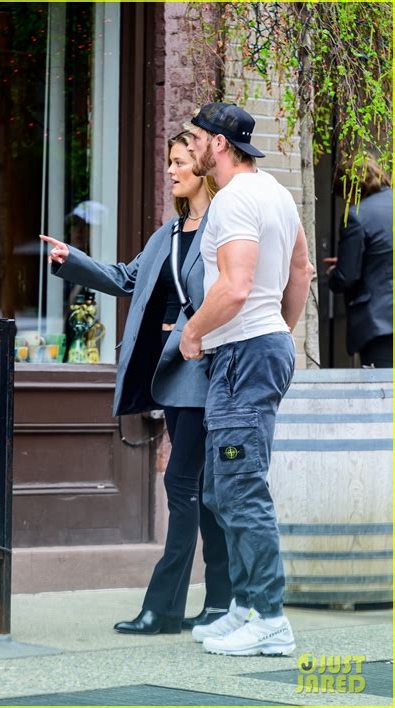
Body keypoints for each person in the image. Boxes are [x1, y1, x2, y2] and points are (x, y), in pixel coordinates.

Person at [39, 132, 232, 634]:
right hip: (172, 371)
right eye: (167, 162)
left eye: (179, 162)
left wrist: (189, 329)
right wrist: (72, 259)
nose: (169, 171)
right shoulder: (168, 234)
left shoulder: (224, 227)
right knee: (202, 488)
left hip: (206, 367)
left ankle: (166, 608)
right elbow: (128, 278)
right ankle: (220, 603)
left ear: (204, 168)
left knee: (182, 483)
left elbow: (234, 292)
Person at [179, 103, 313, 656]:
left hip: (241, 353)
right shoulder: (277, 192)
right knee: (219, 486)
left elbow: (234, 288)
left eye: (197, 138)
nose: (191, 148)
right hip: (257, 347)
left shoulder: (234, 199)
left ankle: (271, 618)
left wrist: (193, 332)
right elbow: (301, 269)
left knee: (241, 488)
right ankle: (243, 606)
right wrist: (281, 329)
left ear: (217, 144)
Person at [327, 156, 393, 367]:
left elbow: (346, 277)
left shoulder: (356, 216)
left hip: (380, 326)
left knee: (383, 394)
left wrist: (333, 274)